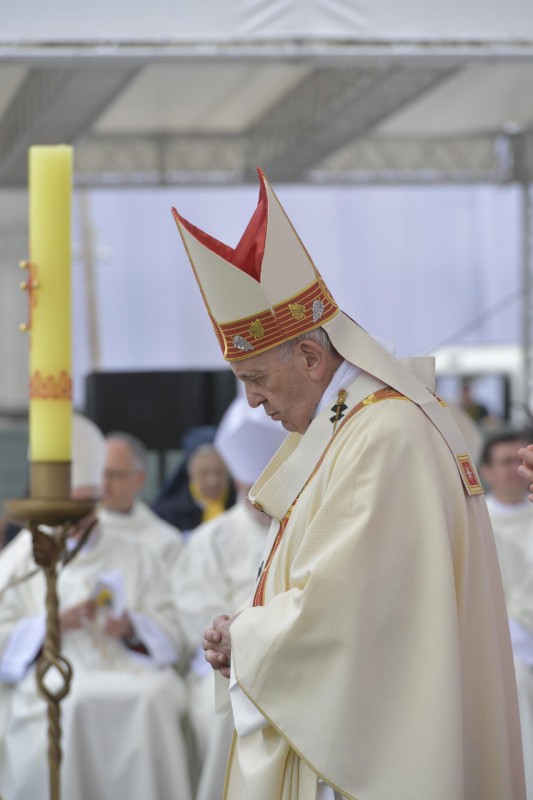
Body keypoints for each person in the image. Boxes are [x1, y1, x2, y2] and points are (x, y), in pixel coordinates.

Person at [170, 168, 525, 800]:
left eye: (255, 377)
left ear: (311, 357)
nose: (251, 401)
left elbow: (354, 612)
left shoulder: (383, 433)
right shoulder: (354, 425)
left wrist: (244, 639)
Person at [0, 414, 192, 800]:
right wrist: (52, 623)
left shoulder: (136, 551)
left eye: (86, 508)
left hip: (129, 666)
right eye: (70, 510)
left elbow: (172, 624)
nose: (79, 520)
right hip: (56, 663)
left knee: (154, 699)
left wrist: (133, 626)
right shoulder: (24, 557)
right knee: (74, 703)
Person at [175, 394, 287, 799]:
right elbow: (194, 612)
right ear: (240, 484)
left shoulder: (303, 531)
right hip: (221, 666)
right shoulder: (211, 539)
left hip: (289, 656)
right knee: (223, 714)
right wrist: (229, 634)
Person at [481, 431, 533, 798]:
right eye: (504, 461)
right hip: (494, 648)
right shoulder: (475, 522)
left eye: (522, 461)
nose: (516, 470)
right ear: (485, 470)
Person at [99, 431, 183, 566]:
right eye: (100, 473)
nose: (104, 484)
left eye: (114, 475)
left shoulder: (165, 541)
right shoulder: (77, 534)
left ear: (139, 479)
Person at [153, 427, 236, 535]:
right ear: (191, 474)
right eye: (204, 473)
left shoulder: (243, 507)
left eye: (219, 472)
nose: (213, 481)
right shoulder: (166, 514)